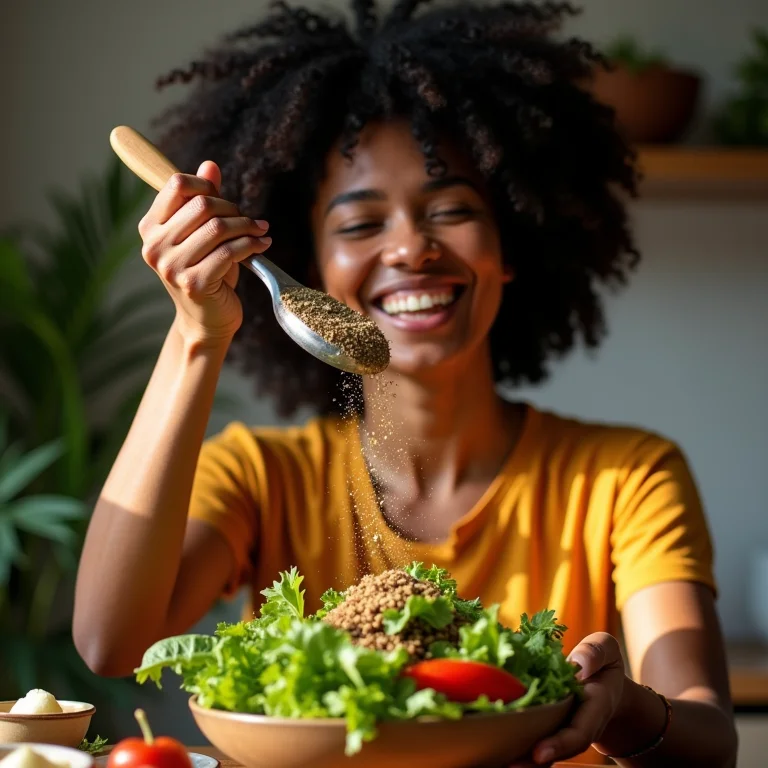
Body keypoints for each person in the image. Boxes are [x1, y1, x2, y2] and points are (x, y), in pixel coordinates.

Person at [73, 1, 737, 765]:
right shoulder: (260, 476)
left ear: (510, 248)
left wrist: (622, 708)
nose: (411, 249)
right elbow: (111, 641)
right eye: (360, 225)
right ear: (315, 269)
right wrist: (197, 334)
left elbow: (709, 743)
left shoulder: (625, 478)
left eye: (451, 210)